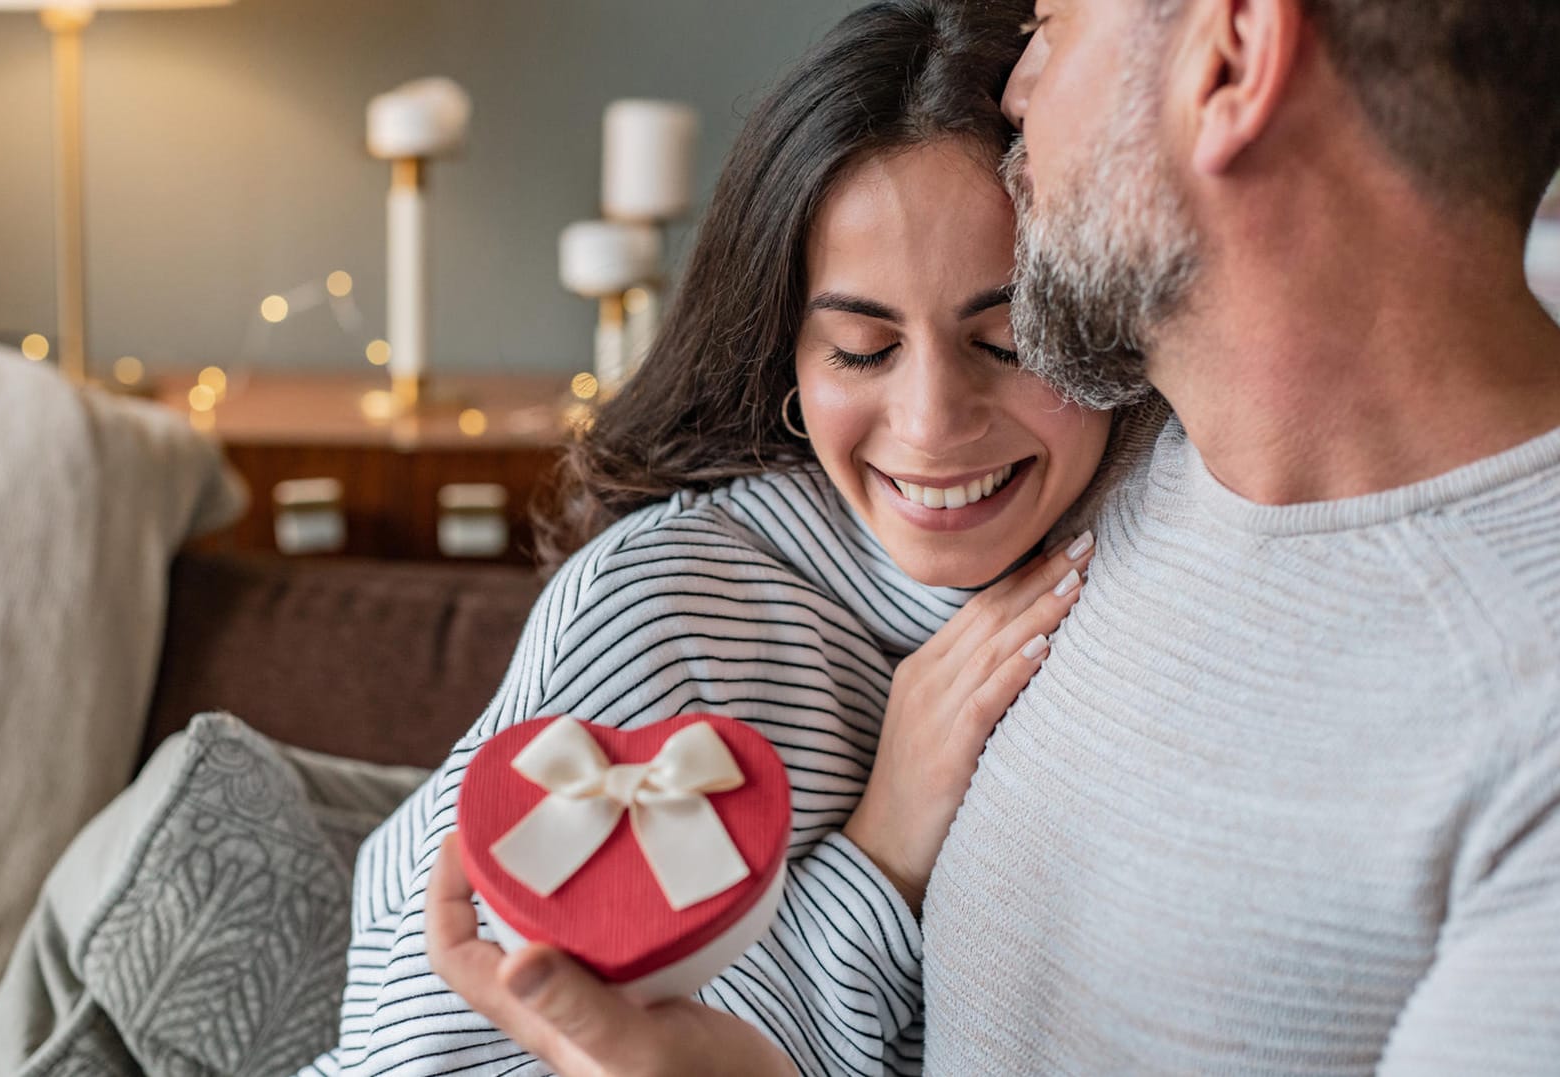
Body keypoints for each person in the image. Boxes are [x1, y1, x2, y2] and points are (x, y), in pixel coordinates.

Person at [431, 0, 1560, 1073]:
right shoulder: (1117, 457)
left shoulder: (1516, 735)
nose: (1015, 82)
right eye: (864, 350)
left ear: (1231, 56)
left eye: (1059, 22)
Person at [297, 2, 1115, 1074]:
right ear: (788, 366)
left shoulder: (1141, 528)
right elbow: (424, 1055)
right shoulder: (665, 612)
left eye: (1008, 340)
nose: (929, 423)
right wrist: (883, 849)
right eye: (862, 350)